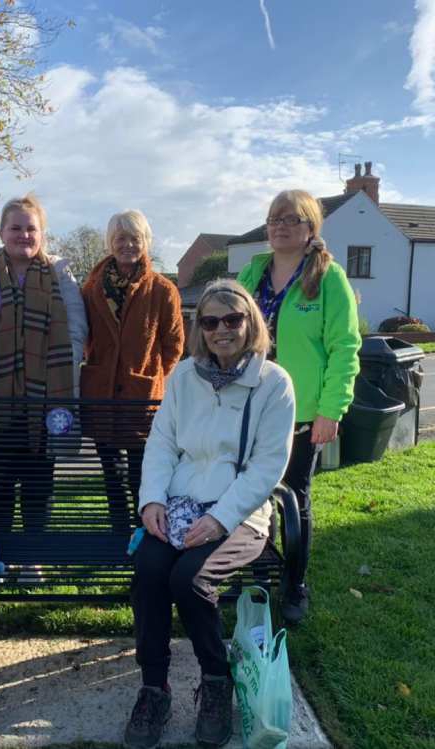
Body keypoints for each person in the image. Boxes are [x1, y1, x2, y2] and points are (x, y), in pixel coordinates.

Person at [125, 279, 295, 749]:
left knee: (190, 580)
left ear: (250, 323)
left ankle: (216, 683)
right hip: (178, 507)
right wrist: (152, 500)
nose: (222, 330)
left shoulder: (273, 384)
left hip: (240, 514)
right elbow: (160, 443)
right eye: (211, 321)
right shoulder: (183, 377)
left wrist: (221, 518)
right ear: (200, 328)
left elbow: (267, 467)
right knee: (149, 571)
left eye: (233, 319)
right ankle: (153, 689)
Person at [237, 189, 361, 624]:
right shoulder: (251, 274)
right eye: (274, 219)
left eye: (291, 219)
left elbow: (345, 348)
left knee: (293, 497)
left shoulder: (328, 279)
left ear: (311, 228)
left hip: (302, 410)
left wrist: (332, 410)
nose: (280, 226)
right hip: (247, 405)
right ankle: (255, 572)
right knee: (248, 492)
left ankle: (294, 585)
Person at [0, 194, 87, 538]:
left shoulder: (60, 274)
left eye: (31, 228)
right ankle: (1, 552)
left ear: (42, 234)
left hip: (45, 400)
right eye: (16, 228)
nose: (23, 235)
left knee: (40, 479)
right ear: (2, 231)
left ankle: (33, 556)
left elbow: (75, 332)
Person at [81, 209, 184, 530]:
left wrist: (153, 377)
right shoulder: (91, 289)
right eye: (120, 238)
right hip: (101, 396)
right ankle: (118, 531)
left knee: (143, 472)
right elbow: (84, 337)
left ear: (146, 242)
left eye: (134, 238)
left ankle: (145, 530)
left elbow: (174, 345)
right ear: (110, 243)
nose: (127, 245)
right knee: (110, 471)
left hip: (143, 400)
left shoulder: (163, 289)